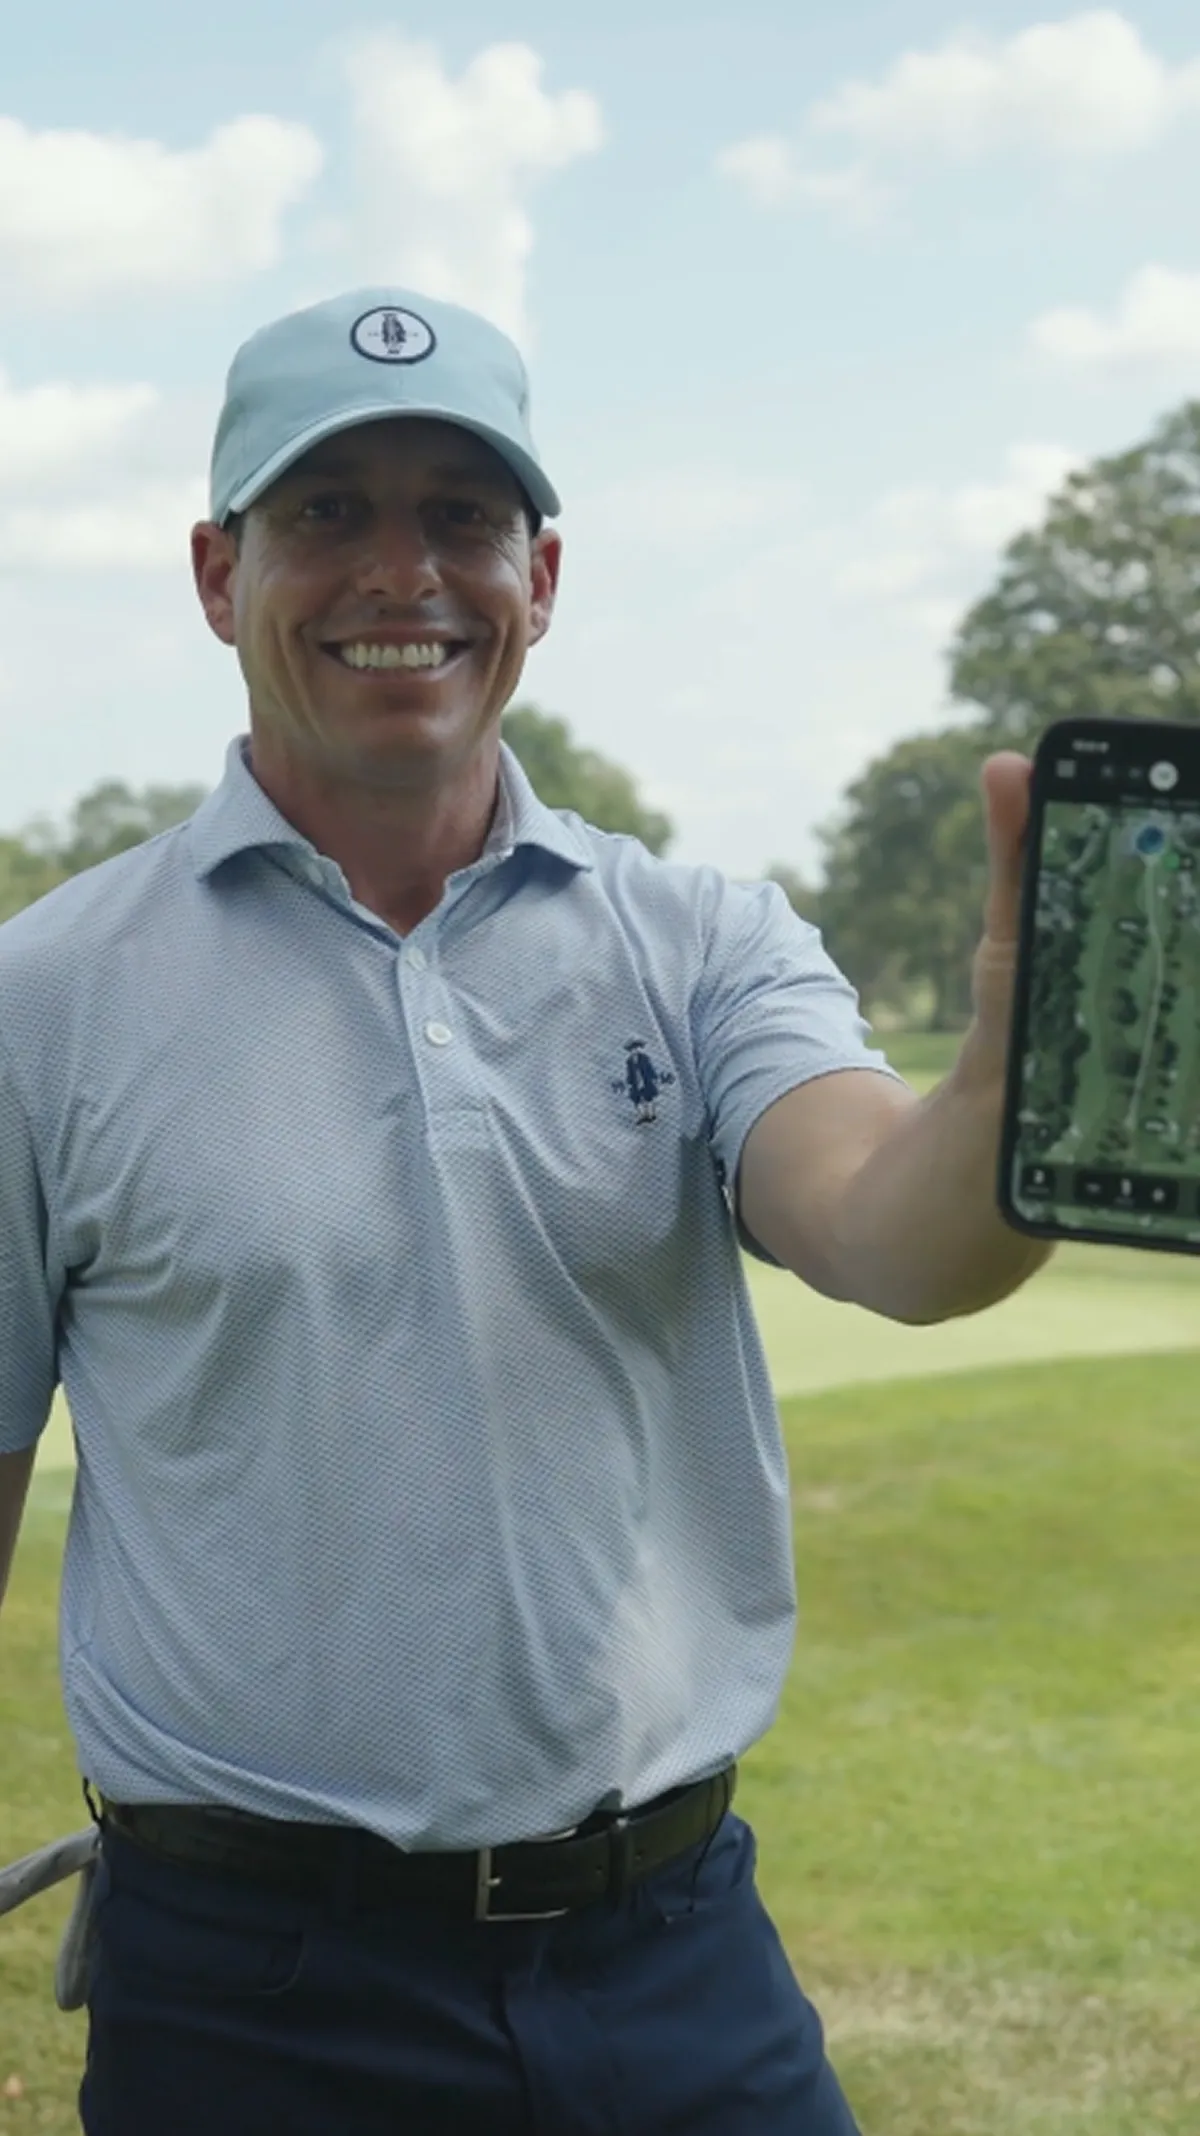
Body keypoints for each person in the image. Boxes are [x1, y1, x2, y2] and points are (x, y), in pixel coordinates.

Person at [0, 286, 1050, 2135]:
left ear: (540, 576)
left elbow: (896, 1231)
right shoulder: (46, 998)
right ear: (211, 566)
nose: (400, 569)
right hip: (250, 1999)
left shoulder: (705, 939)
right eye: (327, 511)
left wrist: (1016, 1083)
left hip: (673, 1961)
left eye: (460, 516)